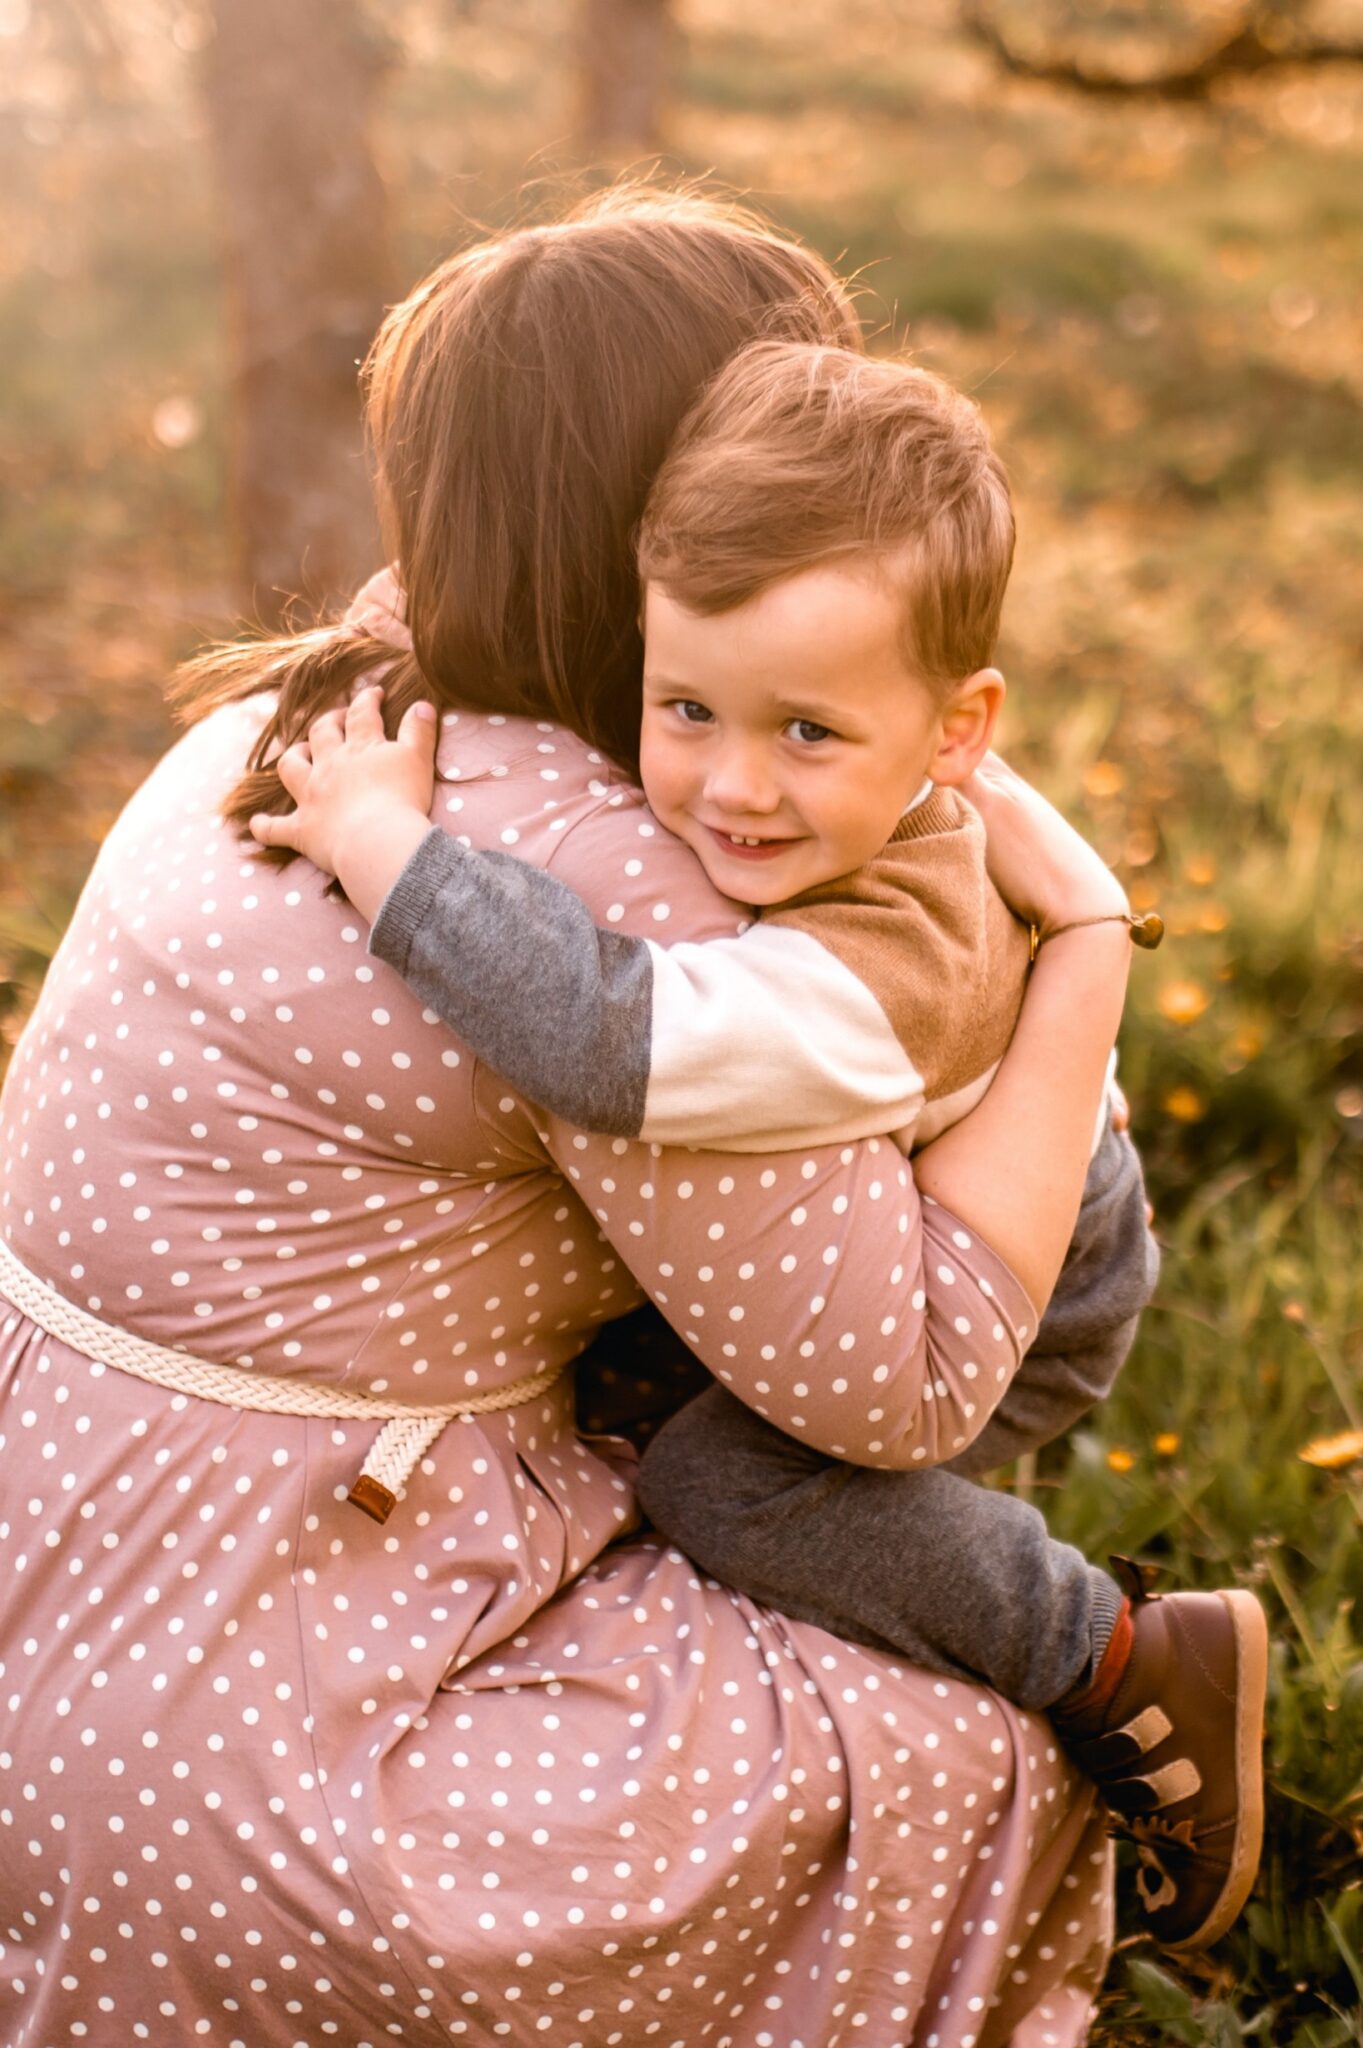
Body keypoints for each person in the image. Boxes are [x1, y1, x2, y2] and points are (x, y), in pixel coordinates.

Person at [2, 185, 1139, 2047]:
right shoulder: (601, 867)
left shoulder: (307, 710)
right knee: (951, 1755)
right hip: (247, 1742)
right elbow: (912, 1382)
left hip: (54, 1601)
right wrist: (1080, 961)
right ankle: (1105, 1669)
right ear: (662, 509)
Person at [251, 340, 1266, 1954]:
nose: (729, 786)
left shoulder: (858, 977)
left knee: (728, 1486)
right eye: (683, 709)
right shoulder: (870, 784)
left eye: (805, 733)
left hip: (1031, 1282)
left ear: (957, 732)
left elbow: (604, 1031)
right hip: (949, 1161)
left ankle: (1125, 1655)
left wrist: (389, 843)